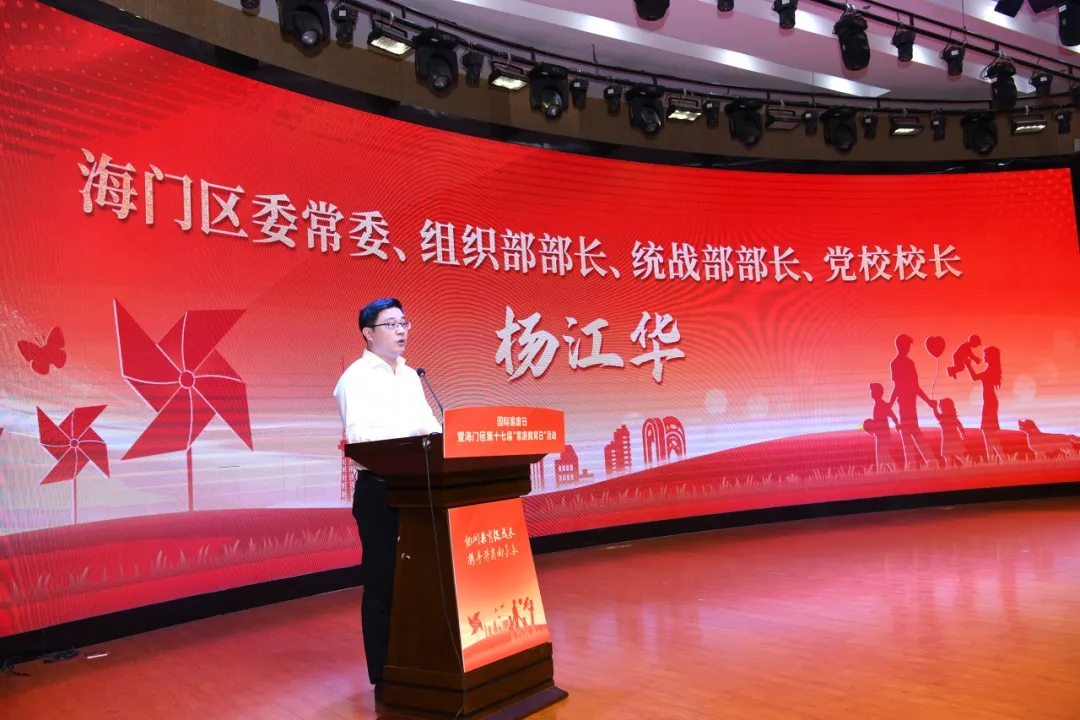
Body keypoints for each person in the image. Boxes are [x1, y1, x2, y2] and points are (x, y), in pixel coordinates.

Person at [333, 297, 441, 701]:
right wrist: (410, 444)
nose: (401, 330)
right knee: (384, 581)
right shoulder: (355, 378)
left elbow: (430, 427)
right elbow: (360, 438)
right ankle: (385, 673)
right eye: (391, 324)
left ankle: (423, 658)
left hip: (420, 489)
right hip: (380, 490)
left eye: (404, 323)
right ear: (368, 333)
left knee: (422, 578)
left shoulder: (411, 376)